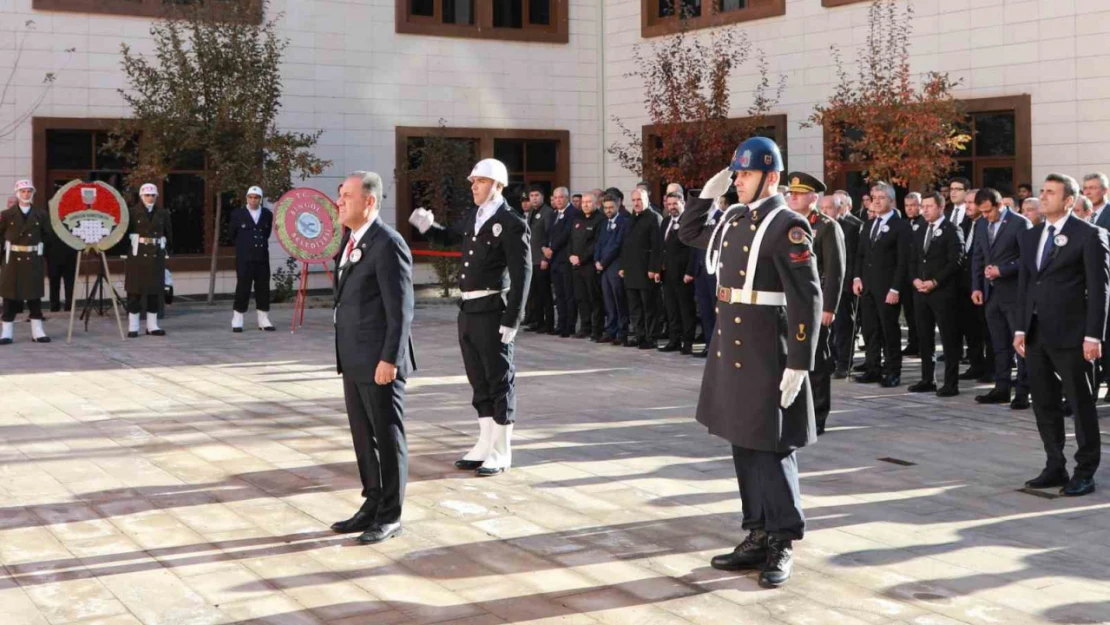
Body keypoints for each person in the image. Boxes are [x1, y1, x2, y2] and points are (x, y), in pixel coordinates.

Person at [678, 136, 820, 588]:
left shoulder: (787, 225)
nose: (737, 181)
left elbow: (807, 297)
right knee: (743, 442)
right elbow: (688, 233)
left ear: (771, 177)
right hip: (733, 345)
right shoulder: (736, 219)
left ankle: (781, 540)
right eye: (736, 174)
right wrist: (705, 196)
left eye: (744, 174)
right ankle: (756, 532)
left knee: (773, 449)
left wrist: (799, 360)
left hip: (767, 349)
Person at [410, 159, 531, 477]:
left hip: (493, 310)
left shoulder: (511, 222)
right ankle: (484, 443)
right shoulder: (475, 216)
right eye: (473, 181)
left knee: (499, 380)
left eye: (479, 181)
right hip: (468, 309)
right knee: (478, 380)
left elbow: (523, 274)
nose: (474, 186)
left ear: (497, 186)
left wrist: (512, 318)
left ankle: (502, 450)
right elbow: (450, 237)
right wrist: (427, 227)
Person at [330, 170, 415, 544]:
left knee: (387, 436)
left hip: (380, 361)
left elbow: (402, 311)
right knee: (364, 438)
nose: (339, 201)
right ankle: (371, 502)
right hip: (354, 359)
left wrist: (390, 360)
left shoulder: (388, 243)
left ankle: (391, 514)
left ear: (370, 201)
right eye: (339, 195)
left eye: (347, 195)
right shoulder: (350, 241)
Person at [1014, 173, 1110, 497]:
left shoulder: (1090, 235)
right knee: (1044, 403)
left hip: (1073, 334)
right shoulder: (1031, 236)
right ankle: (1054, 464)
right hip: (1036, 333)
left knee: (1081, 405)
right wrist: (1019, 328)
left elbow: (1100, 290)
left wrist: (1094, 336)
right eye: (1042, 191)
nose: (1043, 196)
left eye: (1051, 192)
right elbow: (1026, 284)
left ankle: (1085, 472)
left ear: (1068, 200)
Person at [786, 173, 843, 435]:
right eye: (791, 192)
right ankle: (795, 409)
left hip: (815, 304)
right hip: (789, 303)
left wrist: (829, 308)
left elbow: (835, 271)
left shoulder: (827, 226)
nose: (792, 196)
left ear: (814, 197)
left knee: (817, 362)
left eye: (799, 192)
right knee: (791, 358)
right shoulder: (786, 225)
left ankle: (818, 415)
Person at [970, 187, 1032, 409]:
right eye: (982, 212)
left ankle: (1023, 391)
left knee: (1020, 345)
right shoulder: (980, 224)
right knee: (999, 344)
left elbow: (1027, 259)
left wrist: (1003, 270)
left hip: (1013, 293)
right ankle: (1002, 387)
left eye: (988, 211)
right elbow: (977, 256)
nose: (985, 216)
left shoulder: (1019, 223)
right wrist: (976, 286)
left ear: (1000, 205)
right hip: (990, 294)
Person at [853, 181, 911, 387]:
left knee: (889, 331)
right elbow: (860, 255)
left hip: (888, 289)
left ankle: (893, 371)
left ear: (891, 200)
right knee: (870, 330)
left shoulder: (900, 226)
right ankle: (873, 368)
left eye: (881, 198)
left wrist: (895, 288)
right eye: (874, 198)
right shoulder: (868, 224)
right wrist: (857, 278)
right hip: (867, 287)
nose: (876, 202)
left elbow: (903, 262)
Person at [907, 191, 964, 396]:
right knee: (924, 337)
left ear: (941, 207)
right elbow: (912, 258)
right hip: (921, 292)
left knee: (948, 339)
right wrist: (915, 279)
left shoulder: (952, 229)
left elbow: (955, 261)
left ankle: (951, 383)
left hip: (943, 293)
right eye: (923, 206)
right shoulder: (921, 229)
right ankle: (927, 378)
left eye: (929, 206)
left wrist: (935, 281)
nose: (925, 210)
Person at [0, 180, 51, 345]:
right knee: (9, 297)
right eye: (23, 191)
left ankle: (38, 331)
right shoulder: (7, 215)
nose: (26, 194)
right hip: (13, 258)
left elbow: (47, 235)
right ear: (17, 193)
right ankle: (6, 333)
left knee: (34, 296)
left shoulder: (41, 214)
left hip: (33, 258)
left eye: (29, 191)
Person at [125, 183, 172, 338]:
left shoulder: (163, 213)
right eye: (147, 195)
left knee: (154, 293)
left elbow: (169, 234)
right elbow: (124, 234)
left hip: (156, 255)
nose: (150, 198)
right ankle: (133, 326)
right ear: (141, 196)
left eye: (153, 195)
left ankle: (152, 326)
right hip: (137, 255)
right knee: (134, 292)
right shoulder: (132, 212)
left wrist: (167, 251)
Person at [655, 191, 697, 354]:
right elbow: (661, 248)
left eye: (675, 204)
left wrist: (690, 271)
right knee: (671, 309)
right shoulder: (665, 222)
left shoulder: (689, 222)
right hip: (667, 274)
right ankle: (674, 339)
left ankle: (688, 342)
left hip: (683, 274)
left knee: (685, 309)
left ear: (683, 203)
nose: (672, 207)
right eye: (669, 204)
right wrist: (658, 268)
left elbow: (694, 249)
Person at [690, 190, 731, 357]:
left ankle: (721, 347)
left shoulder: (723, 217)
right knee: (705, 310)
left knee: (717, 311)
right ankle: (709, 344)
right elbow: (693, 247)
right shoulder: (700, 220)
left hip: (715, 271)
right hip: (701, 271)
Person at [229, 186, 275, 332]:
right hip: (244, 257)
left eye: (256, 197)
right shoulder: (238, 214)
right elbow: (232, 234)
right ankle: (237, 318)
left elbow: (266, 233)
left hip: (261, 256)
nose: (253, 200)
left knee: (263, 287)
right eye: (250, 197)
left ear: (260, 199)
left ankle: (263, 319)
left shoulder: (267, 214)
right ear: (246, 198)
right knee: (243, 287)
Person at [620, 188, 662, 349]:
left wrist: (654, 268)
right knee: (635, 307)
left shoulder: (654, 218)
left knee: (649, 306)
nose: (636, 203)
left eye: (639, 200)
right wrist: (623, 266)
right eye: (634, 200)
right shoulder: (631, 219)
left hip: (646, 271)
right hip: (631, 270)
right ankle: (639, 335)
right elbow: (626, 245)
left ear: (647, 201)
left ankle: (651, 337)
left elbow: (657, 246)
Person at [957, 190, 991, 382]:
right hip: (965, 286)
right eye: (966, 203)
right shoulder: (966, 223)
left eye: (972, 202)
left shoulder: (987, 224)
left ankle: (990, 368)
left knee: (987, 330)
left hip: (984, 286)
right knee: (970, 329)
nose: (968, 206)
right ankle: (976, 364)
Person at [829, 193, 863, 378]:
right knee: (830, 327)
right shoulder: (825, 225)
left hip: (845, 283)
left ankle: (844, 362)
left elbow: (854, 257)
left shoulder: (854, 226)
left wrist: (850, 281)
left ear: (846, 206)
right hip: (828, 283)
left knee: (844, 325)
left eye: (838, 203)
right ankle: (833, 360)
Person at [569, 192, 605, 340]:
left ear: (596, 203)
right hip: (576, 265)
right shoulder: (577, 219)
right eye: (583, 202)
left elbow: (596, 243)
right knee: (581, 297)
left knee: (594, 298)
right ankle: (585, 327)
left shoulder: (600, 219)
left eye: (589, 202)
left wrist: (581, 258)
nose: (585, 204)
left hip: (590, 265)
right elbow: (571, 240)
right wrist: (570, 255)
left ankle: (597, 330)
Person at [595, 194, 629, 345]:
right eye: (606, 208)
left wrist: (603, 262)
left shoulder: (624, 223)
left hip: (615, 266)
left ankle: (622, 332)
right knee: (608, 301)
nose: (608, 210)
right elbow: (599, 244)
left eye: (611, 207)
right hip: (603, 269)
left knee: (619, 301)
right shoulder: (604, 224)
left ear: (617, 207)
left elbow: (617, 245)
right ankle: (611, 330)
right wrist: (596, 260)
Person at [545, 187, 579, 337]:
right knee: (558, 294)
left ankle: (569, 326)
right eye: (556, 197)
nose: (558, 200)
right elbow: (549, 233)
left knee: (568, 294)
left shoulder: (573, 213)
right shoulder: (553, 215)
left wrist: (551, 248)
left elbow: (566, 234)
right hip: (554, 260)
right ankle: (561, 323)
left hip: (565, 258)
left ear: (567, 198)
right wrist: (545, 248)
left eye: (561, 198)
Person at [524, 185, 555, 334]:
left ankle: (548, 324)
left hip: (541, 259)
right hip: (531, 259)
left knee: (545, 293)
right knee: (535, 294)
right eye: (532, 196)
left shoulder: (547, 212)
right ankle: (538, 321)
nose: (534, 198)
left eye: (537, 195)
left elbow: (549, 236)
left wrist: (545, 258)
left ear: (542, 197)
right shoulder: (531, 212)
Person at [901, 192, 926, 356]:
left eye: (913, 205)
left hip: (921, 275)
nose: (910, 209)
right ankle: (913, 342)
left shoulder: (925, 223)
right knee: (909, 312)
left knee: (921, 314)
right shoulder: (903, 223)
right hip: (905, 275)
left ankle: (922, 345)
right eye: (907, 205)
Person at [45, 220, 77, 314]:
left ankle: (69, 306)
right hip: (53, 258)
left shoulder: (70, 221)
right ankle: (54, 307)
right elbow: (45, 240)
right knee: (54, 284)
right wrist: (47, 255)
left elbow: (76, 239)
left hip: (69, 258)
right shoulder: (49, 224)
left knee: (69, 284)